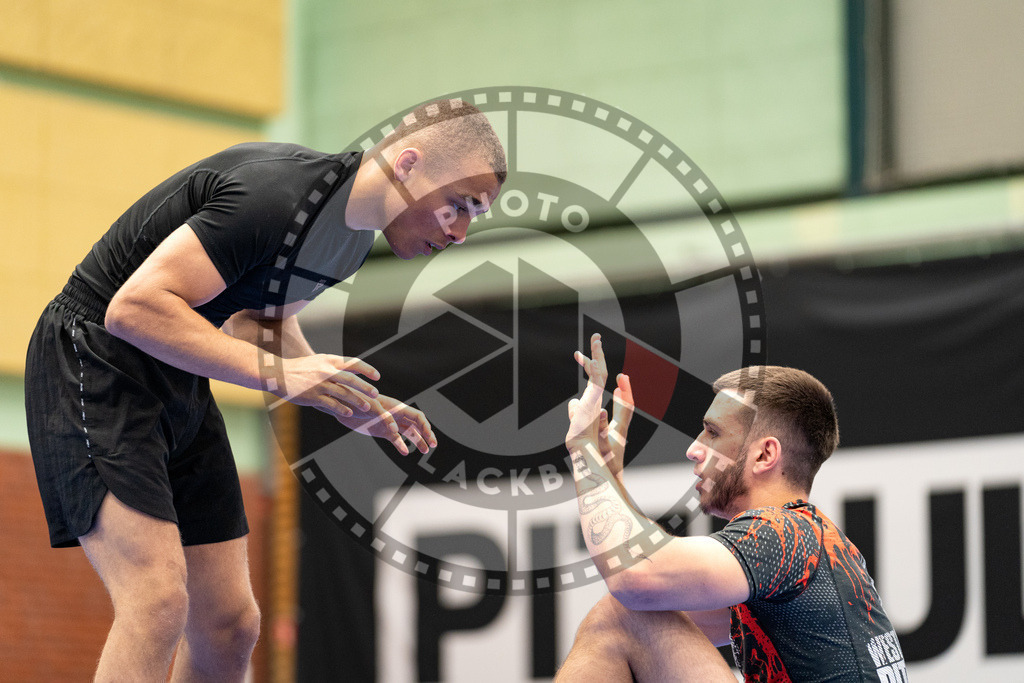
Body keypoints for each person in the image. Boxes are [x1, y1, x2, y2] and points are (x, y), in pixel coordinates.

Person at [24, 97, 505, 681]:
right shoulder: (276, 199)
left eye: (475, 215)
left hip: (174, 371)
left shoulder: (351, 237)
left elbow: (261, 321)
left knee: (231, 625)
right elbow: (133, 308)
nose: (460, 232)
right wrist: (285, 377)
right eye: (459, 205)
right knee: (156, 603)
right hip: (92, 356)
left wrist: (350, 400)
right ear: (407, 164)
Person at [559, 334, 908, 682]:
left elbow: (634, 578)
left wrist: (584, 453)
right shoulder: (808, 545)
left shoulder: (781, 532)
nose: (693, 450)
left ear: (765, 455)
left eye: (712, 432)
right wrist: (610, 477)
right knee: (631, 612)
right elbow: (654, 603)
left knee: (620, 615)